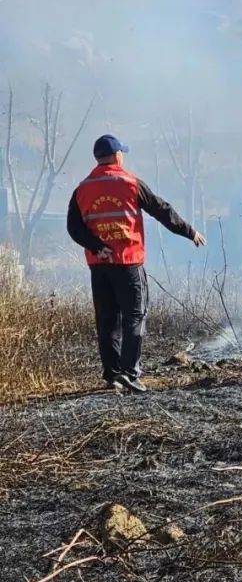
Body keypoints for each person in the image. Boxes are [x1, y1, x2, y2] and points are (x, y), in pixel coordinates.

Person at [67, 134, 206, 393]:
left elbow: (73, 228)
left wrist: (97, 246)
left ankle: (112, 374)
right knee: (135, 315)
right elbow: (162, 210)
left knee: (107, 319)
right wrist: (190, 232)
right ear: (118, 156)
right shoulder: (130, 183)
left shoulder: (82, 188)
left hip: (99, 265)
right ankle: (130, 372)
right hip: (128, 262)